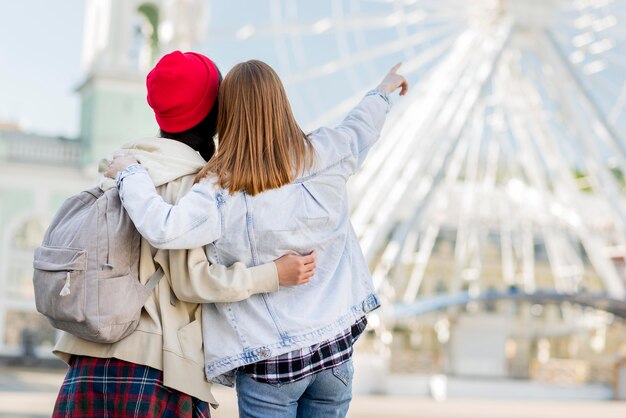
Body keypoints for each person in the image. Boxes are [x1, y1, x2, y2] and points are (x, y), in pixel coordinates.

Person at [106, 60, 408, 417]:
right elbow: (362, 124)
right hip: (334, 352)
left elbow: (163, 226)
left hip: (271, 362)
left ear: (226, 116)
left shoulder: (220, 191)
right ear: (281, 102)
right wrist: (384, 90)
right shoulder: (330, 150)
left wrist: (130, 175)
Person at [52, 51, 315, 418]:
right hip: (155, 369)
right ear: (215, 114)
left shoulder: (122, 170)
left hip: (85, 363)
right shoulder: (195, 186)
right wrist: (274, 274)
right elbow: (192, 282)